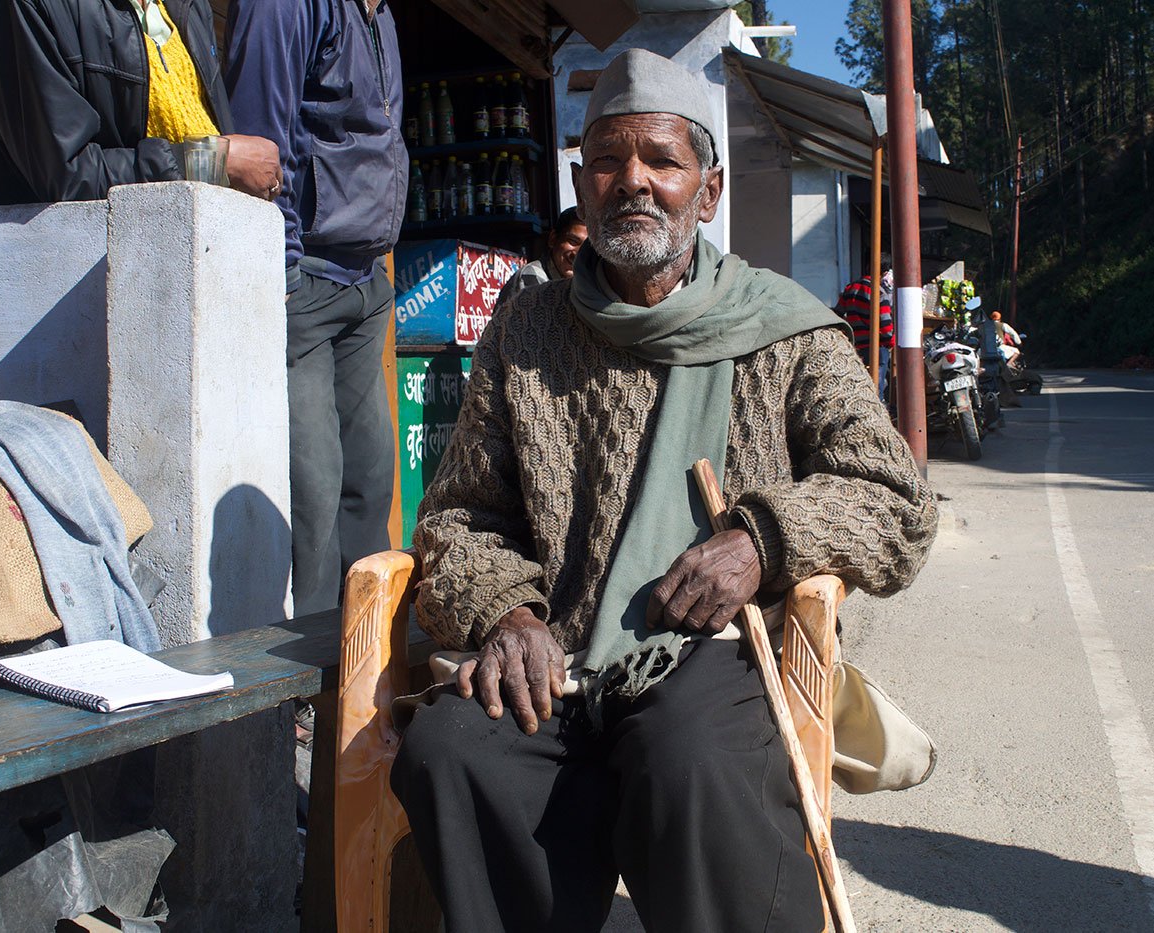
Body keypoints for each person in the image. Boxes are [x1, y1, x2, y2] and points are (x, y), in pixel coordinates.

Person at [391, 49, 938, 933]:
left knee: (692, 762)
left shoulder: (783, 329)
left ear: (708, 191)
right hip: (558, 656)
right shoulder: (524, 330)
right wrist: (508, 615)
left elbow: (897, 498)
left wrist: (764, 538)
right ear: (579, 180)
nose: (632, 182)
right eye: (608, 160)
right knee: (452, 750)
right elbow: (459, 516)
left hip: (708, 655)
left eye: (661, 160)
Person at [225, 0, 408, 615]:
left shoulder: (378, 15)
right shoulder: (286, 5)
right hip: (305, 280)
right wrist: (280, 269)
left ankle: (370, 674)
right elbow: (259, 145)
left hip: (366, 280)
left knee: (369, 487)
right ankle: (311, 683)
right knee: (315, 497)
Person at [0, 0, 280, 206]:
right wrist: (210, 162)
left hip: (195, 273)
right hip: (81, 294)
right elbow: (68, 180)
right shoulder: (14, 7)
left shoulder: (185, 8)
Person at [498, 207, 589, 301]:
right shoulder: (532, 276)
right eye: (573, 241)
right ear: (553, 239)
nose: (579, 254)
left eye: (588, 247)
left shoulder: (580, 282)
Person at [835, 269, 895, 401]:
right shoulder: (879, 292)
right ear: (884, 273)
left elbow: (838, 313)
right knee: (877, 390)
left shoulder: (850, 289)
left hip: (856, 346)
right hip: (876, 347)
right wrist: (890, 341)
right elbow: (886, 327)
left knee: (860, 386)